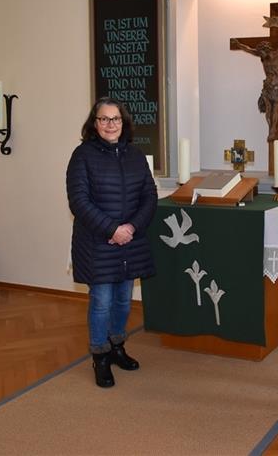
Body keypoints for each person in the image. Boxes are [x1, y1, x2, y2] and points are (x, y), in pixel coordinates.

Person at [66, 97, 157, 388]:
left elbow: (149, 196)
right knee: (102, 301)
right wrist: (112, 229)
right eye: (103, 119)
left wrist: (130, 227)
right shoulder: (82, 155)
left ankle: (117, 346)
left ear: (123, 122)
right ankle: (100, 355)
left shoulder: (136, 154)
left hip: (130, 240)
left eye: (114, 119)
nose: (109, 124)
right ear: (94, 124)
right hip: (97, 243)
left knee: (122, 300)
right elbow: (79, 201)